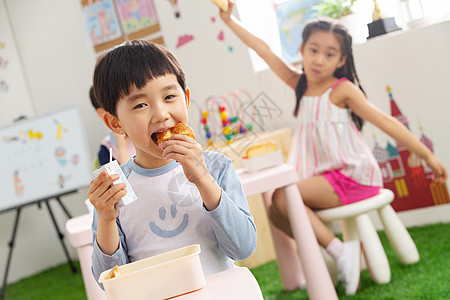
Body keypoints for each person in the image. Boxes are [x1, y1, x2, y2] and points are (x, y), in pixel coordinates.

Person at [219, 2, 447, 296]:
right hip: (326, 179)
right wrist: (229, 21)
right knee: (277, 212)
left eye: (329, 54)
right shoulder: (300, 84)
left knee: (283, 197)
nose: (319, 60)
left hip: (353, 176)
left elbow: (387, 122)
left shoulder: (342, 90)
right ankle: (338, 252)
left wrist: (427, 155)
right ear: (302, 50)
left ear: (341, 60)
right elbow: (264, 50)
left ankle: (341, 252)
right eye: (313, 50)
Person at [88, 40, 257, 284]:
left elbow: (243, 247)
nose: (161, 114)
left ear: (185, 99)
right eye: (140, 105)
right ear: (115, 123)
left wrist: (203, 179)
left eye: (169, 96)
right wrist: (105, 218)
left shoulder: (216, 167)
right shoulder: (117, 187)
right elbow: (109, 281)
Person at [89, 86, 136, 166]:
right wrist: (122, 148)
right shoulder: (106, 150)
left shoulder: (144, 132)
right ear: (101, 113)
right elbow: (124, 178)